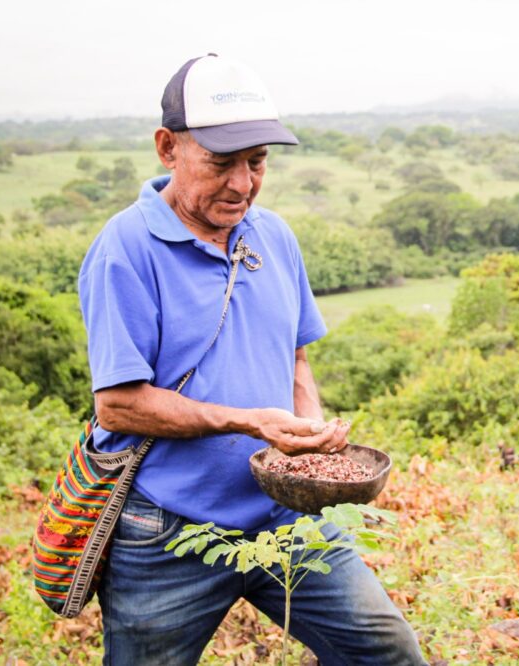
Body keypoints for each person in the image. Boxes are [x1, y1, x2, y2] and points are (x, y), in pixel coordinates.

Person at [78, 54, 425, 665]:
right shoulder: (124, 250)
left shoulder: (273, 236)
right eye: (220, 163)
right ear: (168, 148)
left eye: (256, 162)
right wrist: (248, 421)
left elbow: (294, 361)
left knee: (388, 652)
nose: (242, 184)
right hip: (167, 532)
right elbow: (119, 404)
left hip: (285, 516)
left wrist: (310, 431)